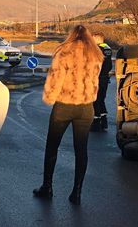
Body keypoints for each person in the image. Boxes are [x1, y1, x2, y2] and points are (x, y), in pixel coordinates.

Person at [33, 24, 103, 205]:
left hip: (64, 105)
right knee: (81, 150)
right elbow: (96, 81)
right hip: (86, 107)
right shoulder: (96, 54)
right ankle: (77, 192)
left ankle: (47, 187)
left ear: (72, 35)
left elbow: (55, 79)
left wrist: (49, 98)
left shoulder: (64, 51)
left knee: (52, 146)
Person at [90, 32, 113, 131]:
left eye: (93, 38)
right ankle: (104, 122)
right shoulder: (107, 48)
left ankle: (96, 123)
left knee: (95, 100)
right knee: (101, 100)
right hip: (105, 78)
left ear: (97, 39)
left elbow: (95, 64)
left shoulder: (97, 49)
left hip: (97, 77)